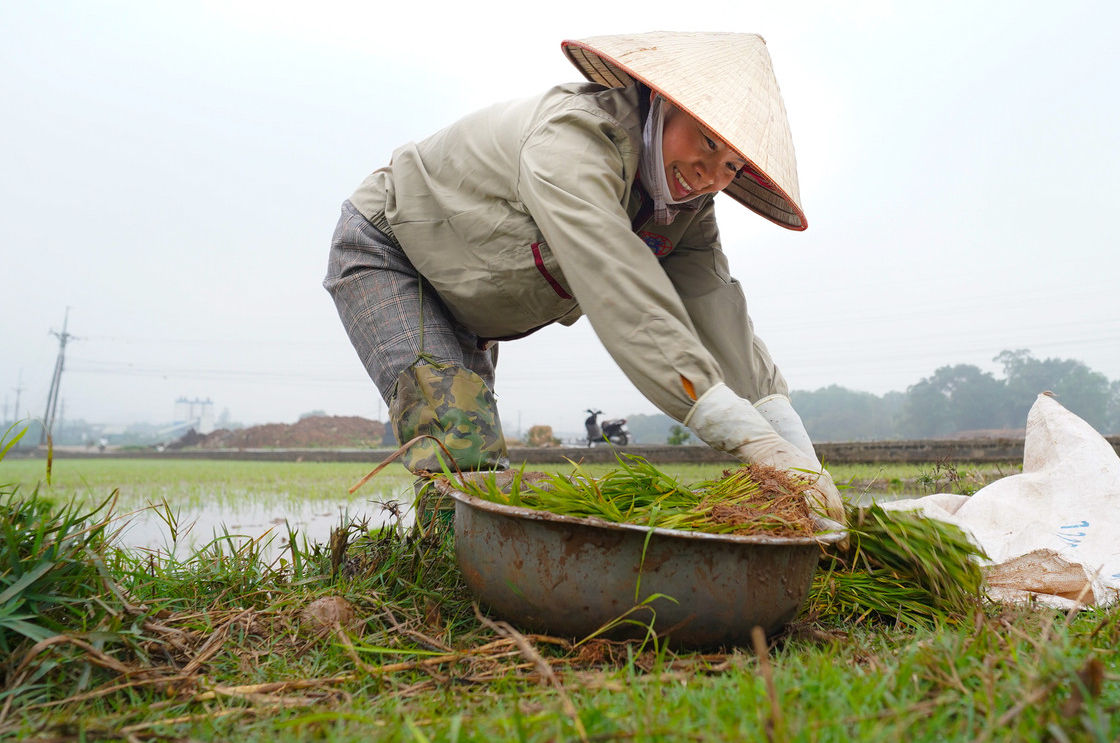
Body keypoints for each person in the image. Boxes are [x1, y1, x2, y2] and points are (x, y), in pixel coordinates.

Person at [323, 31, 844, 528]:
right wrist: (749, 440)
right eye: (706, 142)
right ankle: (447, 579)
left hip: (467, 298)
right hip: (395, 250)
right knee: (462, 447)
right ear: (665, 104)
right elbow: (621, 289)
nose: (708, 175)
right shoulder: (573, 141)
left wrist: (795, 451)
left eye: (731, 166)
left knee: (476, 467)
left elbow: (715, 307)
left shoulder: (686, 209)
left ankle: (461, 568)